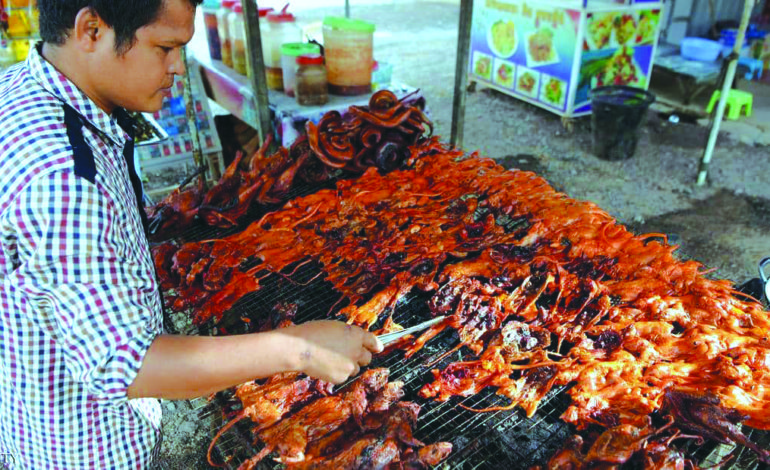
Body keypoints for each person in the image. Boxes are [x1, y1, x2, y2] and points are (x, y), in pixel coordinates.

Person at [0, 1, 382, 468]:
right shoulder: (63, 176)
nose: (178, 68)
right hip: (81, 447)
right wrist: (299, 347)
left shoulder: (26, 90)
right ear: (92, 29)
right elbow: (128, 365)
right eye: (165, 47)